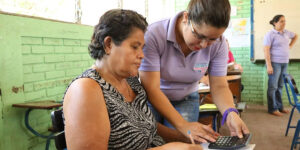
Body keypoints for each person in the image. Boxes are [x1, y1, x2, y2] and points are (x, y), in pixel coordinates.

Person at [63, 9, 203, 149]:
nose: (142, 55)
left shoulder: (131, 82)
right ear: (108, 44)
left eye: (142, 48)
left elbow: (147, 125)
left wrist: (184, 137)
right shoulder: (86, 89)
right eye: (135, 47)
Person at [139, 0, 249, 143]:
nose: (204, 45)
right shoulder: (154, 34)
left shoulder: (220, 44)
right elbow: (151, 88)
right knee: (148, 140)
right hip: (152, 99)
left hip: (186, 98)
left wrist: (230, 112)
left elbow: (219, 86)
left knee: (183, 143)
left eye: (212, 39)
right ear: (186, 18)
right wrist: (183, 125)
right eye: (199, 36)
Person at [263, 14, 298, 116]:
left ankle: (279, 107)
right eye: (281, 21)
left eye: (284, 21)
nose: (284, 23)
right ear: (275, 23)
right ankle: (272, 109)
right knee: (273, 87)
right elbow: (266, 49)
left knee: (280, 86)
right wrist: (269, 65)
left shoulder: (286, 33)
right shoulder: (270, 34)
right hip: (274, 63)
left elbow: (296, 36)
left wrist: (290, 46)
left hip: (284, 63)